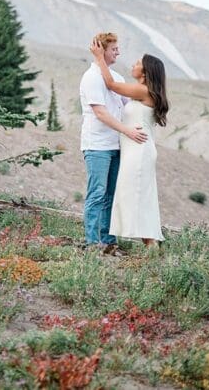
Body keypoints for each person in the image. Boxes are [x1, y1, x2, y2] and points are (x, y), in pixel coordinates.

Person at [89, 39, 169, 246]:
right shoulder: (141, 93)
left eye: (138, 63)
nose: (133, 65)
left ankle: (150, 242)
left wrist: (99, 58)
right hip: (135, 149)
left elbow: (111, 84)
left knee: (135, 195)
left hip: (139, 151)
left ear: (146, 72)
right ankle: (149, 243)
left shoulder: (143, 91)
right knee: (136, 195)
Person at [79, 32, 148, 255]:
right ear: (102, 50)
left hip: (116, 145)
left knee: (111, 195)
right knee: (97, 194)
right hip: (97, 145)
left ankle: (108, 241)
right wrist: (128, 131)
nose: (118, 52)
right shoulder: (91, 77)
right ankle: (92, 242)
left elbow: (129, 105)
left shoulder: (116, 77)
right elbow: (100, 113)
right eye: (114, 49)